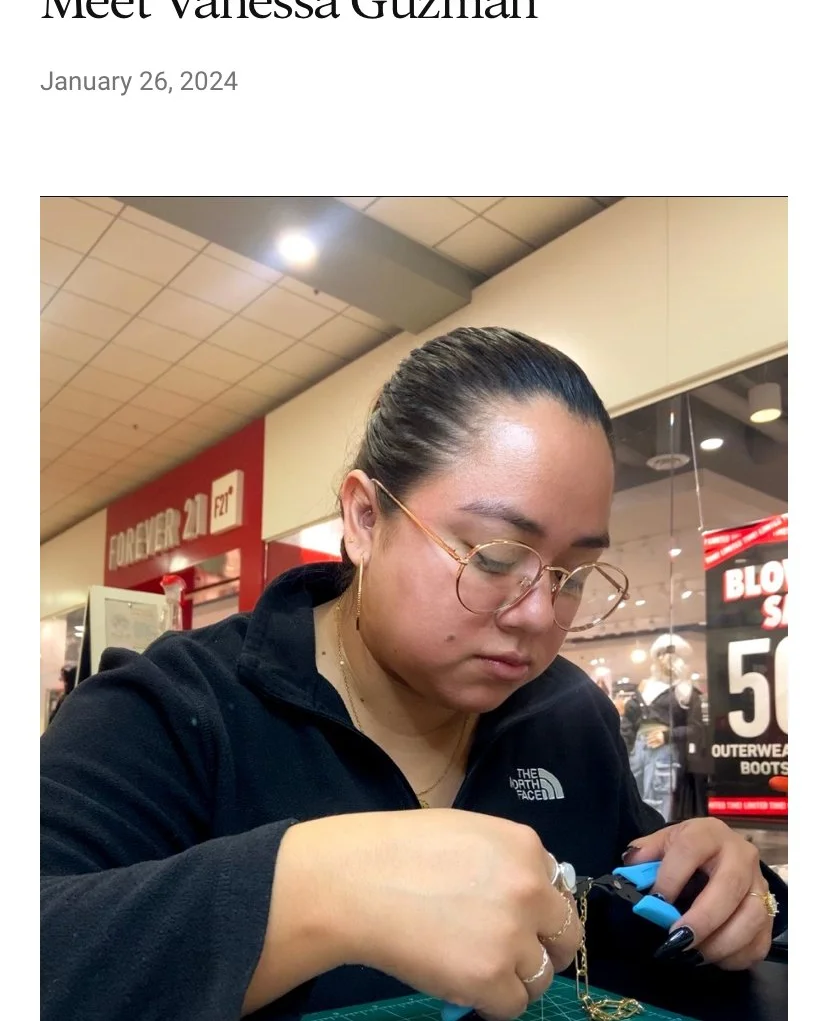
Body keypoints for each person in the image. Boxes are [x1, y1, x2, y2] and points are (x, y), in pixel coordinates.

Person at [41, 327, 785, 1021]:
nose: (537, 614)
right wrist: (311, 890)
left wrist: (731, 891)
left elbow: (629, 905)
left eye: (576, 574)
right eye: (494, 557)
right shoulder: (174, 708)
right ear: (365, 518)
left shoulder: (564, 711)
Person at [621, 635, 708, 822]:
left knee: (658, 801)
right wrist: (622, 751)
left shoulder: (685, 692)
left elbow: (696, 729)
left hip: (664, 751)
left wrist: (667, 735)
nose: (664, 659)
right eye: (660, 654)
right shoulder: (644, 689)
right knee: (632, 798)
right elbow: (628, 722)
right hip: (637, 750)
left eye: (669, 654)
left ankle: (658, 842)